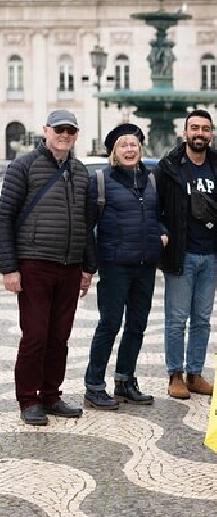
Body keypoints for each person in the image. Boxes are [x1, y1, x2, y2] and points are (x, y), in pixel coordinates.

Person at [0, 109, 96, 426]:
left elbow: (86, 223)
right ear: (46, 130)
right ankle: (29, 399)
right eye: (59, 129)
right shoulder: (23, 166)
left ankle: (51, 396)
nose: (65, 134)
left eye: (70, 130)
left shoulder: (81, 172)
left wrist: (87, 268)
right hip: (34, 264)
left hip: (69, 266)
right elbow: (4, 218)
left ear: (76, 134)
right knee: (35, 336)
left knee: (59, 338)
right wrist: (8, 268)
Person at [83, 123, 168, 410]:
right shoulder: (101, 181)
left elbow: (159, 215)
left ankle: (124, 380)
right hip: (115, 265)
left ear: (140, 149)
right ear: (113, 153)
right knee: (109, 324)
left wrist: (162, 231)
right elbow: (87, 225)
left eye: (134, 144)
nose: (130, 149)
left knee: (137, 325)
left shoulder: (152, 180)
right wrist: (89, 266)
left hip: (145, 264)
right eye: (123, 145)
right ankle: (94, 385)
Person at [154, 109, 217, 400]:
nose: (200, 133)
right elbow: (156, 206)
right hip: (181, 253)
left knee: (202, 318)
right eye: (194, 128)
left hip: (210, 254)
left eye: (205, 129)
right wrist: (162, 232)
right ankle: (175, 374)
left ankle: (195, 373)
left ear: (211, 134)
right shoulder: (169, 167)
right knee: (176, 318)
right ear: (185, 132)